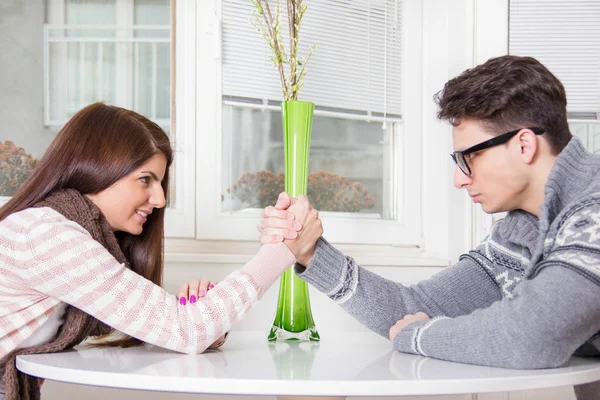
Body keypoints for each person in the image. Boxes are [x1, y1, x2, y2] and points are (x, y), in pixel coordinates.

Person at [258, 55, 600, 400]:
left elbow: (530, 339)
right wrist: (312, 252)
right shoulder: (520, 231)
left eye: (468, 158)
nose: (459, 180)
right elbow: (413, 307)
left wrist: (418, 335)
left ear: (524, 144)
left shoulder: (594, 210)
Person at [0, 102, 319, 400]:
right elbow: (186, 330)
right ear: (96, 168)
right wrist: (284, 250)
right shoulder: (46, 235)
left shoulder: (70, 235)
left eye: (160, 183)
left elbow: (169, 328)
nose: (160, 199)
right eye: (145, 180)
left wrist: (209, 321)